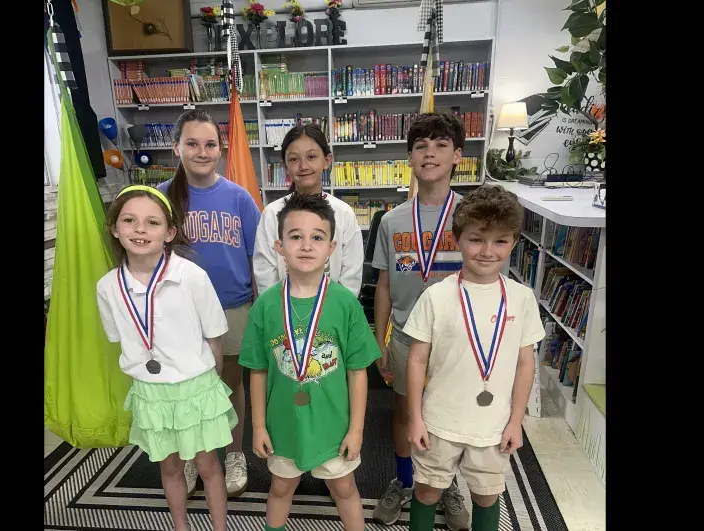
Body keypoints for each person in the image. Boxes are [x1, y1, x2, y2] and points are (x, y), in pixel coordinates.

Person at [404, 185, 546, 531]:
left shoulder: (522, 298)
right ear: (457, 239)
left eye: (500, 241)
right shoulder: (436, 296)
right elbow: (417, 361)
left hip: (493, 426)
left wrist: (516, 421)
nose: (487, 251)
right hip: (438, 421)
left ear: (514, 242)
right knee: (426, 491)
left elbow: (525, 364)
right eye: (476, 239)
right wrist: (415, 418)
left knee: (486, 495)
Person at [96, 185, 236, 531]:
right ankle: (180, 526)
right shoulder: (108, 287)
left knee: (208, 467)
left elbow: (215, 338)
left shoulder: (191, 276)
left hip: (196, 387)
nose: (140, 230)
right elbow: (118, 338)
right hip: (151, 392)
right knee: (170, 467)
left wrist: (212, 382)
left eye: (152, 222)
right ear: (114, 228)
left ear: (170, 232)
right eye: (129, 220)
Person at [239, 193, 380, 531]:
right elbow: (258, 370)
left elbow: (357, 372)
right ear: (279, 246)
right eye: (295, 236)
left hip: (334, 427)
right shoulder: (265, 306)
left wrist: (356, 430)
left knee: (344, 490)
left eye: (317, 237)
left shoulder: (346, 304)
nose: (306, 246)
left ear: (331, 248)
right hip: (283, 426)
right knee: (280, 489)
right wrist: (258, 426)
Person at [370, 112, 470, 529]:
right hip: (405, 336)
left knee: (450, 415)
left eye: (441, 145)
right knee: (405, 410)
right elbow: (384, 286)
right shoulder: (392, 220)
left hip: (458, 339)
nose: (430, 153)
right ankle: (405, 480)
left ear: (457, 155)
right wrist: (379, 341)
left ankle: (446, 483)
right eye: (420, 146)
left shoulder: (470, 215)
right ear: (409, 157)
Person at [157, 109, 261, 497]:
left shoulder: (240, 198)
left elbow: (257, 259)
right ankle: (190, 456)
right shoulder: (162, 198)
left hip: (232, 307)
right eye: (192, 143)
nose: (202, 152)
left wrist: (259, 307)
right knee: (185, 389)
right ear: (176, 148)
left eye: (210, 144)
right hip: (178, 313)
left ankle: (233, 453)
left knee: (231, 385)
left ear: (221, 149)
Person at [252, 123, 364, 297]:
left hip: (334, 310)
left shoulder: (344, 213)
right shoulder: (272, 214)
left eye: (311, 157)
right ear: (284, 166)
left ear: (327, 161)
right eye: (294, 159)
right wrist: (278, 308)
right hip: (282, 309)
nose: (303, 166)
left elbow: (351, 275)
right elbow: (265, 274)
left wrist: (337, 308)